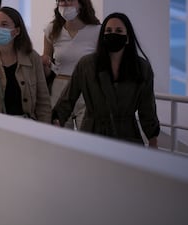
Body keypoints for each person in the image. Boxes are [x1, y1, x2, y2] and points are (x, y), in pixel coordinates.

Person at [52, 12, 160, 146]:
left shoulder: (141, 68)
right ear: (103, 36)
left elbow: (147, 108)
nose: (113, 34)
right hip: (92, 134)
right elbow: (68, 98)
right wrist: (56, 121)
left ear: (127, 37)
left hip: (127, 135)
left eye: (119, 30)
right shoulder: (87, 65)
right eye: (108, 30)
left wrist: (152, 138)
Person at [42, 0, 100, 129]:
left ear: (81, 3)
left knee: (86, 135)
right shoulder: (52, 29)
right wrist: (45, 63)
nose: (65, 3)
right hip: (59, 88)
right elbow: (46, 62)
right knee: (59, 137)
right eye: (61, 0)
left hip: (86, 89)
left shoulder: (97, 30)